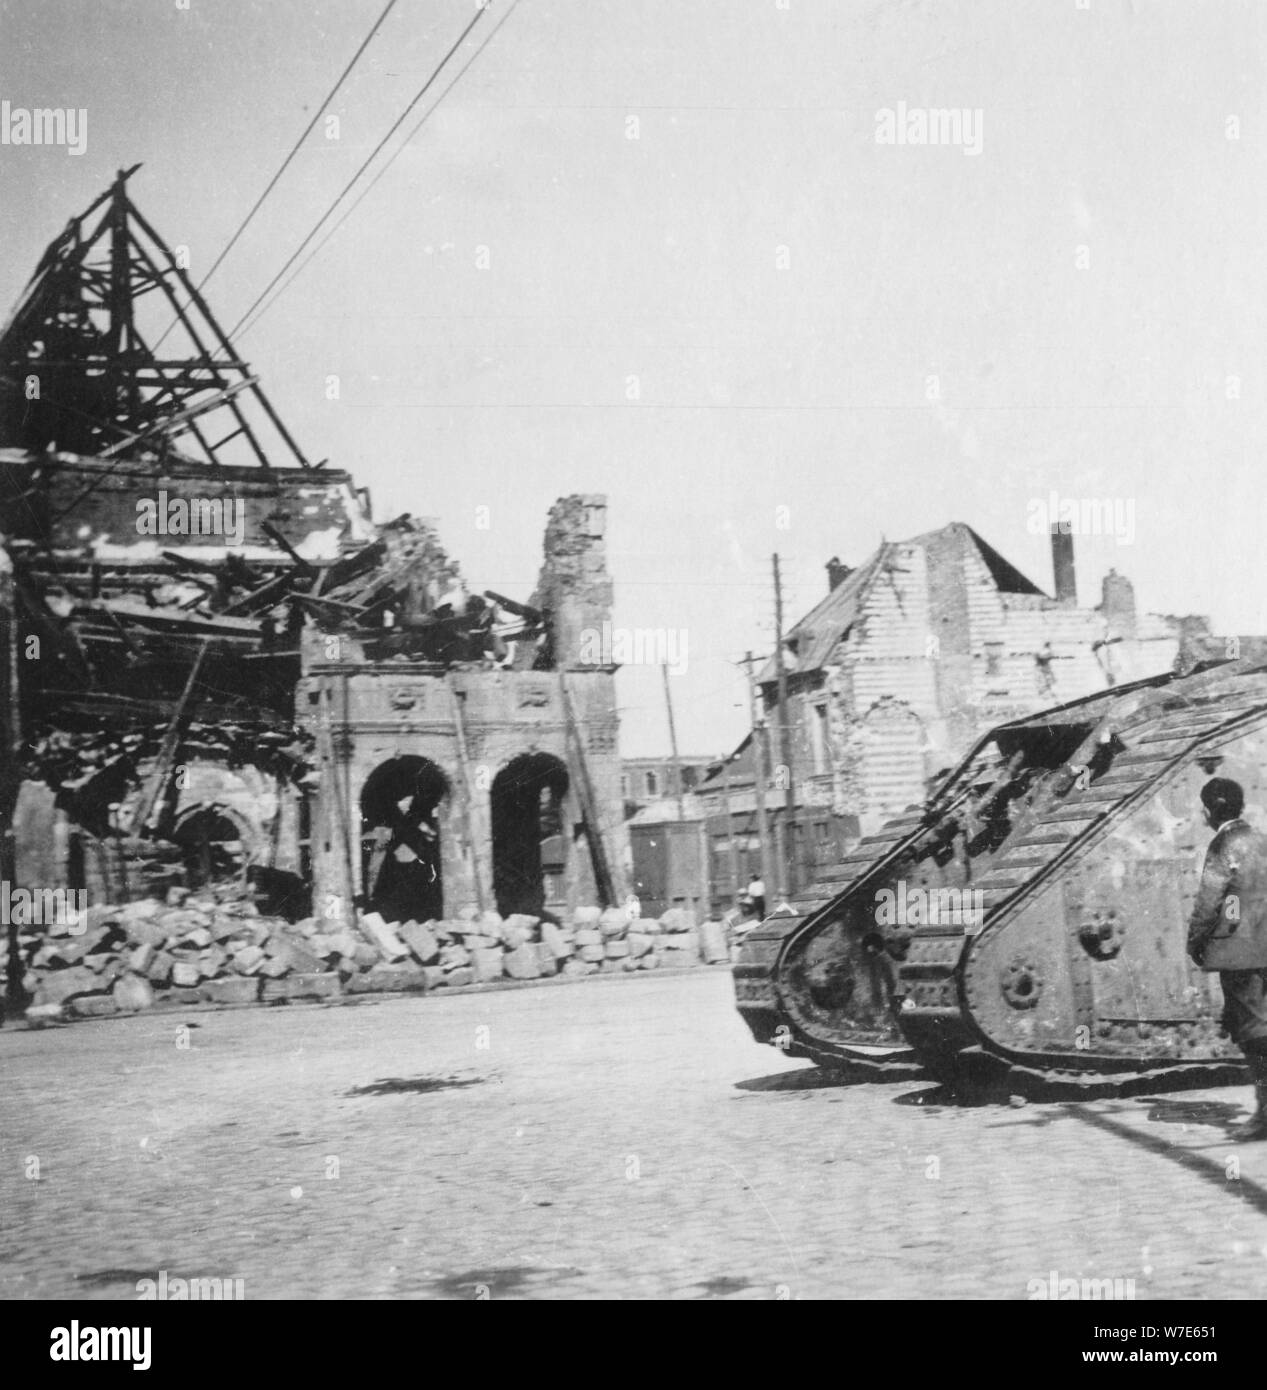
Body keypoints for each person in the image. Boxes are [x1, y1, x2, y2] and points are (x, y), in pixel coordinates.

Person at [1187, 777, 1267, 1140]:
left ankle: (1265, 1116)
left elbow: (1210, 903)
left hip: (1240, 954)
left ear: (1207, 812)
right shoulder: (1262, 839)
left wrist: (1196, 943)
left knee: (1254, 1035)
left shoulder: (1223, 844)